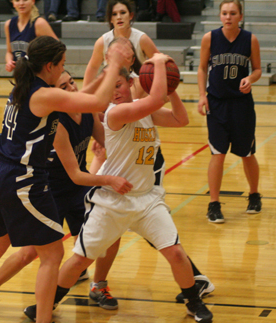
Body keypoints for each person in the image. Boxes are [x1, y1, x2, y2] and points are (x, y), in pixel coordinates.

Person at [0, 35, 133, 323]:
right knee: (52, 255)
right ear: (49, 66)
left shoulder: (24, 88)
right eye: (61, 65)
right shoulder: (43, 95)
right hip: (22, 177)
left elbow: (81, 96)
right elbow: (97, 101)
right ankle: (42, 319)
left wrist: (103, 73)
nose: (64, 70)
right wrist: (113, 63)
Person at [27, 53, 214, 323]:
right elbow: (156, 98)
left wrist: (171, 90)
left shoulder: (142, 109)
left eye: (118, 85)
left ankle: (193, 302)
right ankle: (48, 303)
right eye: (108, 87)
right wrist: (160, 64)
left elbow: (179, 119)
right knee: (81, 260)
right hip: (112, 201)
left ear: (131, 83)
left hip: (147, 200)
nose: (114, 93)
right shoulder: (115, 114)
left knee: (175, 252)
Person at [88, 37, 215, 306]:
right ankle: (85, 284)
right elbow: (99, 112)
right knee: (105, 239)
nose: (117, 56)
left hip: (145, 168)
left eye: (121, 52)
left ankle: (193, 279)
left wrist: (169, 87)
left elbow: (170, 112)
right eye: (112, 53)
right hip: (116, 171)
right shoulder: (113, 88)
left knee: (157, 233)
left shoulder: (141, 81)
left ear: (130, 58)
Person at [197, 0, 262, 223]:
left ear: (240, 16)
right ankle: (213, 204)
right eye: (224, 13)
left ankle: (254, 194)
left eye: (233, 13)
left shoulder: (250, 39)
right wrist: (202, 95)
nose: (228, 17)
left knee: (246, 152)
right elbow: (202, 67)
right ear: (220, 16)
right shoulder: (210, 38)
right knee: (218, 153)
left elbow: (258, 69)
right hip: (216, 104)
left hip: (242, 105)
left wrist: (250, 78)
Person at [83, 0, 160, 86]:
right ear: (110, 19)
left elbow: (159, 63)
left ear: (131, 16)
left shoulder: (142, 39)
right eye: (114, 14)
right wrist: (84, 95)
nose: (119, 17)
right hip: (113, 89)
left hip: (138, 88)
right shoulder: (102, 42)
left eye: (123, 13)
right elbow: (93, 68)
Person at [5, 0, 58, 73]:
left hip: (38, 77)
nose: (21, 3)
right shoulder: (9, 24)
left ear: (33, 1)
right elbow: (9, 52)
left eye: (25, 0)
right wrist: (9, 62)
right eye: (17, 0)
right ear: (13, 3)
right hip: (21, 76)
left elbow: (59, 48)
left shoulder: (39, 23)